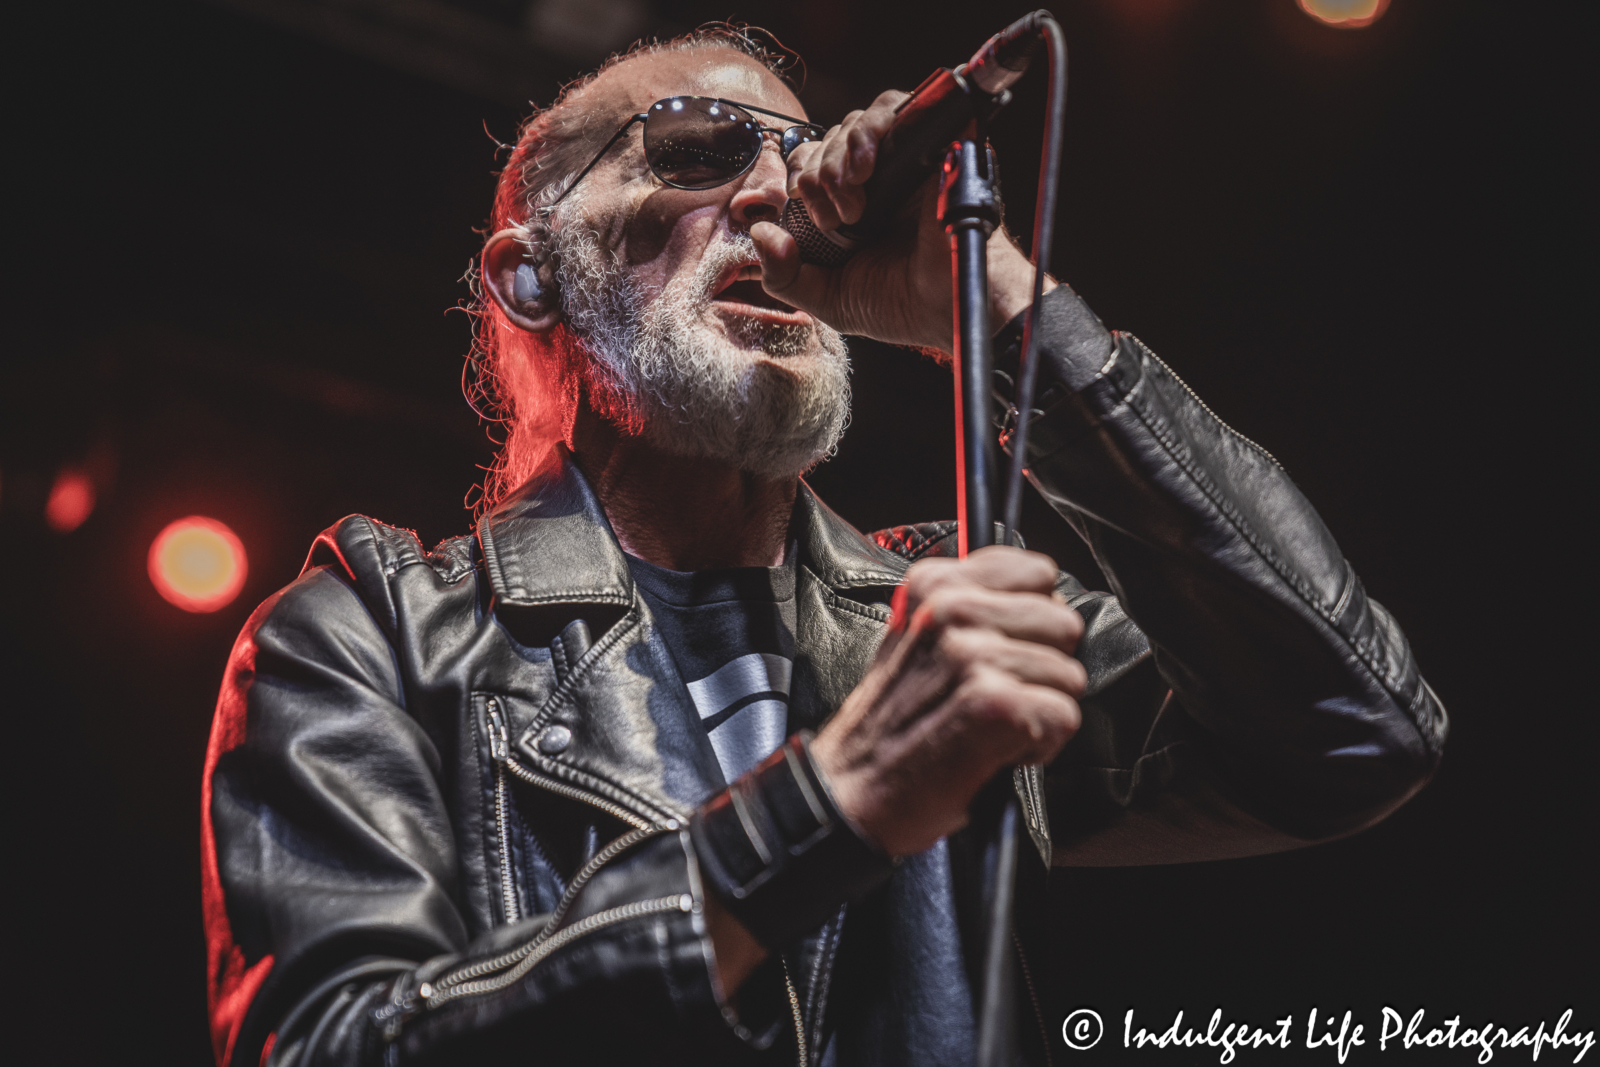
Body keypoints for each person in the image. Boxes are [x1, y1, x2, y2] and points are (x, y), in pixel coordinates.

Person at [201, 25, 1446, 1067]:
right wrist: (828, 802)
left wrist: (1001, 310)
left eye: (799, 163)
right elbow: (334, 1040)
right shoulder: (370, 638)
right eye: (696, 148)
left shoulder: (935, 616)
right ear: (534, 281)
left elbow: (1354, 730)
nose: (771, 195)